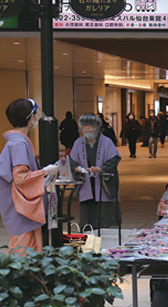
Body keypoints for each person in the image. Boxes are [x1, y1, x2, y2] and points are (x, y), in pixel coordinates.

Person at [0, 98, 59, 253]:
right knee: (24, 254)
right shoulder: (19, 144)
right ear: (30, 117)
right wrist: (46, 171)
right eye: (35, 114)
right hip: (21, 209)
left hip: (19, 208)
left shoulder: (18, 141)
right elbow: (21, 178)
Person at [70, 114, 121, 230]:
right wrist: (77, 168)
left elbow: (113, 160)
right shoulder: (78, 143)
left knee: (104, 218)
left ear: (97, 129)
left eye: (90, 129)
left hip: (103, 183)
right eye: (84, 129)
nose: (87, 132)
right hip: (86, 182)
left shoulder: (107, 142)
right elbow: (72, 161)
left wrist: (101, 168)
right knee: (87, 217)